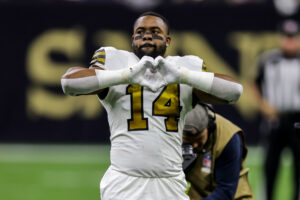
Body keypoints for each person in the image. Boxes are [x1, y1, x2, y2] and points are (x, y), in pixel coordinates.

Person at [61, 11, 243, 200]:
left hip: (170, 182)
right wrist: (126, 75)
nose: (147, 35)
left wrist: (183, 76)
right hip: (124, 182)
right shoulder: (117, 61)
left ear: (168, 40)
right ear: (132, 39)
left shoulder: (183, 67)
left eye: (155, 32)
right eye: (140, 32)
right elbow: (69, 84)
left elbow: (234, 91)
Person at [252, 19, 300, 200]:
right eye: (287, 37)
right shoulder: (269, 60)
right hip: (275, 118)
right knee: (270, 166)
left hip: (297, 117)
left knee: (298, 168)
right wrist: (264, 106)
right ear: (280, 38)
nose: (290, 41)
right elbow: (254, 84)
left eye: (293, 37)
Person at [182, 104, 254, 200]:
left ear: (209, 127)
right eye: (188, 140)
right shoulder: (170, 134)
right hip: (195, 193)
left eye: (199, 139)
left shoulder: (228, 138)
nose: (194, 145)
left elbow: (225, 191)